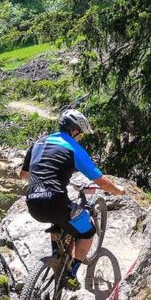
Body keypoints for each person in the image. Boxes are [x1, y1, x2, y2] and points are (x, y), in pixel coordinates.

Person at [20, 109, 125, 289]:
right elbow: (99, 180)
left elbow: (24, 175)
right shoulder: (73, 148)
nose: (80, 138)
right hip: (56, 202)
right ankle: (70, 274)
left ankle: (57, 263)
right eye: (80, 134)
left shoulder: (38, 143)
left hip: (32, 202)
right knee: (87, 232)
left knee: (60, 221)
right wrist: (118, 191)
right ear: (74, 130)